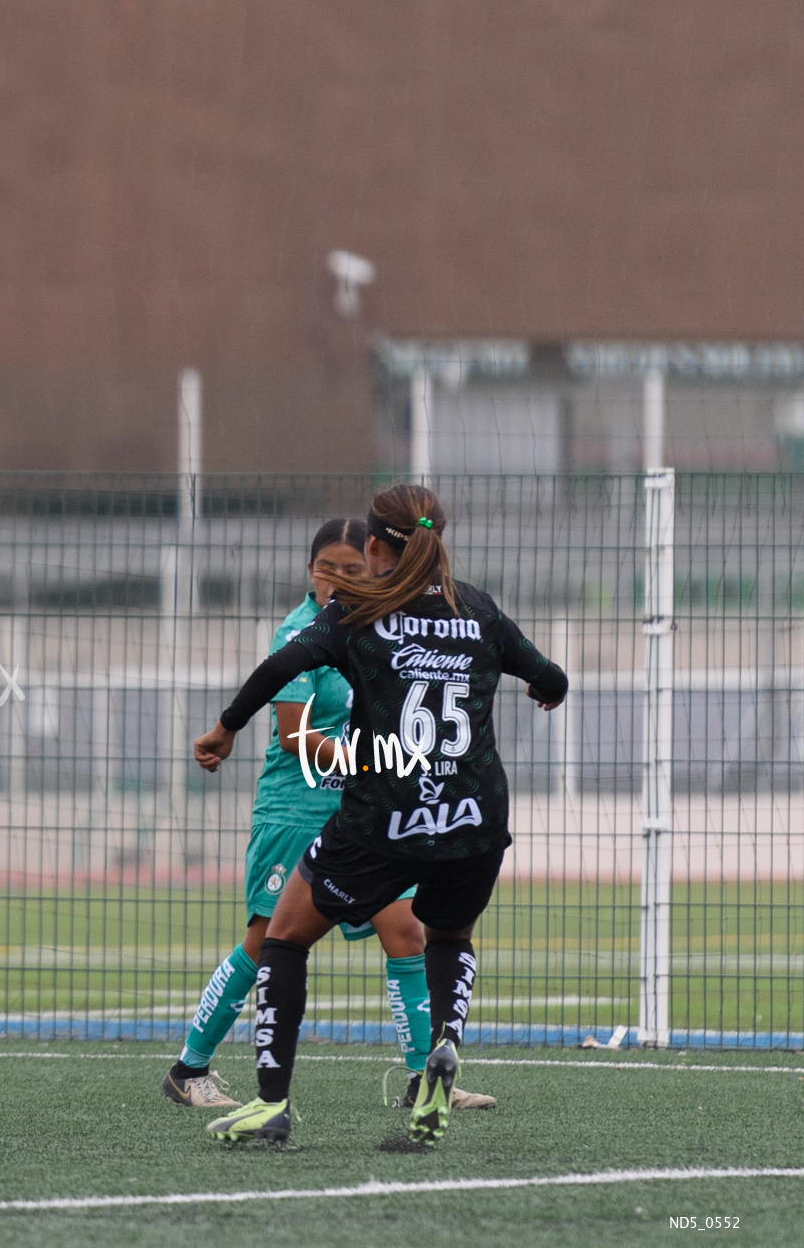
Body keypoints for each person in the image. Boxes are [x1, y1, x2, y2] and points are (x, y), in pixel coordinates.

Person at [191, 483, 567, 1146]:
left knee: (283, 936)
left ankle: (271, 1102)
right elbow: (550, 676)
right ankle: (439, 1066)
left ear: (373, 546)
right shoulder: (477, 610)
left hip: (382, 816)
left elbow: (282, 665)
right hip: (475, 818)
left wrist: (224, 728)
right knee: (446, 935)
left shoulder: (361, 613)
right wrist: (542, 687)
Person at [161, 519, 494, 1113]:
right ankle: (189, 1069)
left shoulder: (375, 628)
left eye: (352, 570)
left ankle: (424, 1079)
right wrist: (373, 764)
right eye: (327, 569)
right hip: (296, 811)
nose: (339, 580)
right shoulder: (298, 632)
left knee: (408, 932)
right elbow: (294, 736)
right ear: (309, 570)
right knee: (266, 942)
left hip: (364, 816)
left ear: (372, 567)